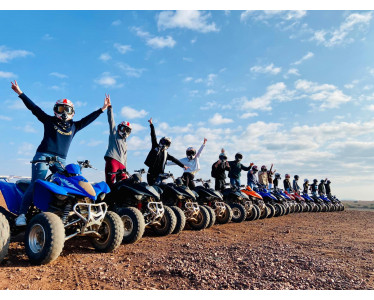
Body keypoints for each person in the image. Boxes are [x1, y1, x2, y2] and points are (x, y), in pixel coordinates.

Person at [11, 80, 110, 226]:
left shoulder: (75, 126)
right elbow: (34, 108)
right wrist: (20, 93)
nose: (63, 113)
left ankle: (60, 213)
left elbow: (88, 120)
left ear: (72, 112)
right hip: (43, 156)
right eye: (60, 109)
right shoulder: (49, 121)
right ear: (55, 110)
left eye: (67, 109)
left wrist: (102, 109)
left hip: (60, 160)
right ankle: (22, 215)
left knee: (67, 183)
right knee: (37, 183)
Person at [144, 118, 187, 186]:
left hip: (160, 175)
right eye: (164, 142)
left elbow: (174, 159)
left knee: (163, 188)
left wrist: (183, 166)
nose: (164, 144)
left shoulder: (166, 154)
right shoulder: (155, 147)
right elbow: (153, 136)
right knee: (152, 189)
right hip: (151, 174)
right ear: (161, 141)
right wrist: (151, 124)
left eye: (167, 143)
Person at [104, 94, 132, 188]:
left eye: (127, 130)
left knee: (124, 185)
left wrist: (126, 169)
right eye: (123, 129)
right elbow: (111, 121)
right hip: (113, 160)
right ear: (120, 128)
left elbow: (125, 157)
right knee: (110, 183)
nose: (125, 132)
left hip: (122, 165)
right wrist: (109, 107)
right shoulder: (114, 134)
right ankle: (108, 201)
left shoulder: (125, 143)